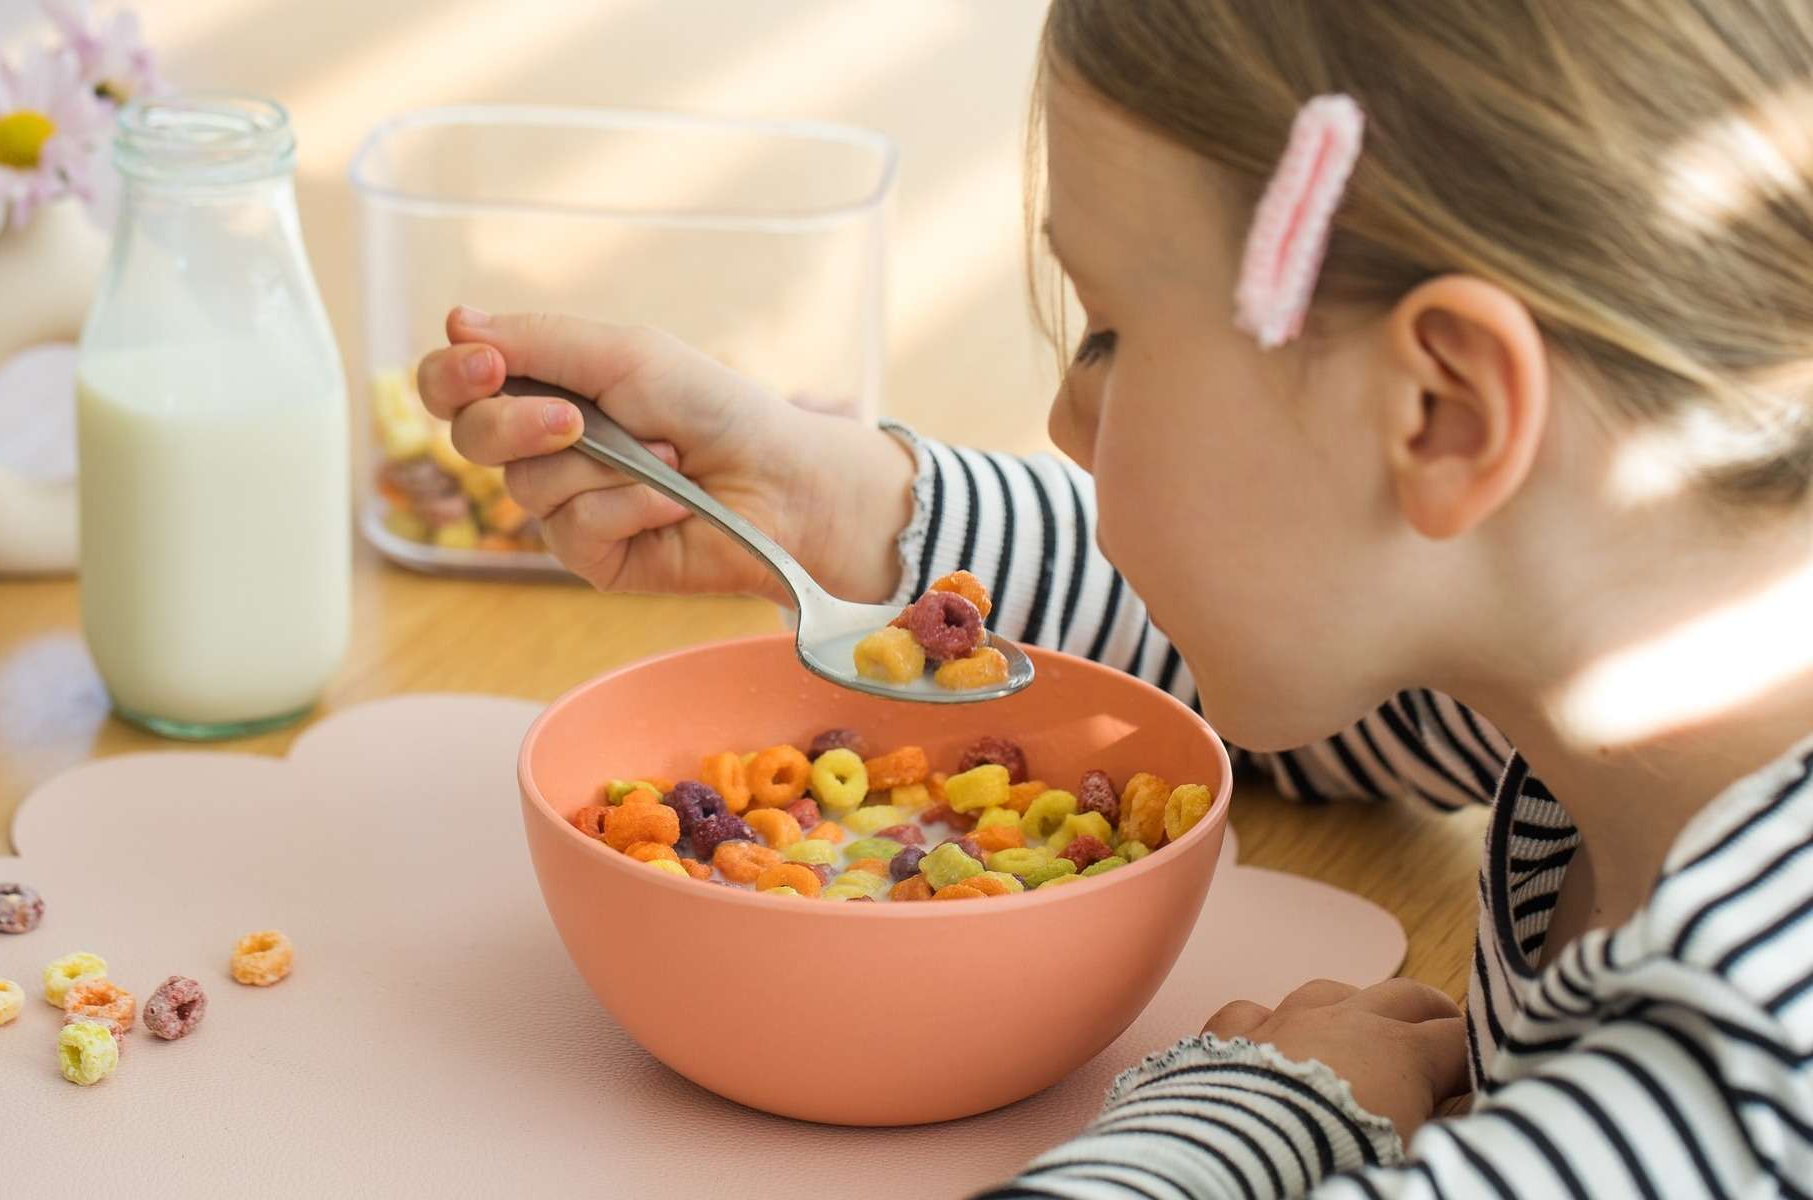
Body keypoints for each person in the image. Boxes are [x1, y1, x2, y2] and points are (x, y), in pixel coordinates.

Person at [418, 2, 1813, 1193]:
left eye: (1108, 334)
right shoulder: (1639, 684)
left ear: (1441, 412)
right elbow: (1312, 646)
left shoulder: (1731, 1087)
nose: (1064, 416)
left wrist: (1261, 1119)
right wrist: (850, 507)